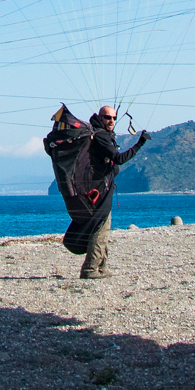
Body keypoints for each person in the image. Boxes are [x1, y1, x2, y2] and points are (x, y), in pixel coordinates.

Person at [45, 104, 149, 279]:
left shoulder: (102, 135)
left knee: (103, 228)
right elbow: (119, 158)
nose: (112, 121)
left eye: (114, 118)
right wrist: (140, 143)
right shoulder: (101, 137)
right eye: (108, 117)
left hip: (102, 189)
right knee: (100, 229)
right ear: (100, 117)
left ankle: (101, 267)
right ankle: (90, 269)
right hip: (99, 191)